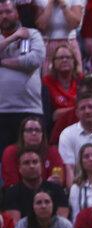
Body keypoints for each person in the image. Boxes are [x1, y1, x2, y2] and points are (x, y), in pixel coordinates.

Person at [0, 1, 44, 152]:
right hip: (2, 111)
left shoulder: (32, 34)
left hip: (30, 109)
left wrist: (2, 62)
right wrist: (13, 37)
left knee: (31, 157)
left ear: (17, 13)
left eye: (8, 12)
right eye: (0, 13)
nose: (4, 16)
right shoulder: (14, 36)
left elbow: (34, 60)